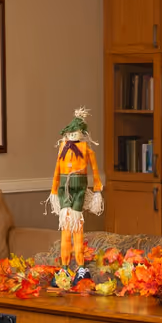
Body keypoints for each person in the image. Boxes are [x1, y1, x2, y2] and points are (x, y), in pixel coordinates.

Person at [47, 108, 104, 268]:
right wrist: (53, 191)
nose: (73, 136)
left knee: (77, 227)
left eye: (76, 132)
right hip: (64, 190)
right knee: (65, 227)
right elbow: (57, 170)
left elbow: (95, 170)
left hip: (79, 190)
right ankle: (64, 265)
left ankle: (80, 265)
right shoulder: (62, 148)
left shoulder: (87, 150)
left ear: (82, 133)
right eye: (71, 133)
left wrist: (98, 189)